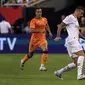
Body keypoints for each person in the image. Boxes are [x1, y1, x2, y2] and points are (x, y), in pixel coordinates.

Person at [54, 6, 85, 80]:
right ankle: (80, 75)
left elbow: (77, 32)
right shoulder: (70, 17)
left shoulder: (75, 20)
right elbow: (60, 25)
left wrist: (84, 38)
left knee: (76, 63)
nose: (82, 15)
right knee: (82, 55)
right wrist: (58, 36)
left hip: (70, 42)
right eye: (81, 13)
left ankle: (59, 72)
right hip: (72, 40)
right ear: (77, 11)